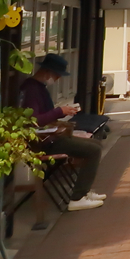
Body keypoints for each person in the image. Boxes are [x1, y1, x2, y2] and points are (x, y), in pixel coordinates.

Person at [19, 54, 107, 211]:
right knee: (93, 150)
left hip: (47, 136)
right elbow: (33, 120)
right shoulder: (32, 89)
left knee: (94, 144)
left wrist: (62, 112)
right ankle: (78, 197)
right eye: (57, 75)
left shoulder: (36, 87)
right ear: (48, 72)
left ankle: (83, 190)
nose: (58, 79)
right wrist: (60, 111)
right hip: (44, 141)